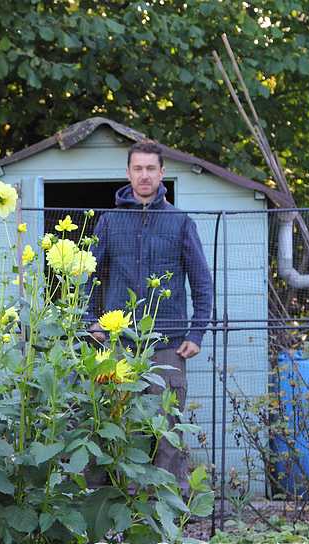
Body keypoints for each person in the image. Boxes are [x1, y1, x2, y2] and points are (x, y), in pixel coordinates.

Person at [88, 141, 214, 496]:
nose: (144, 176)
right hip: (118, 345)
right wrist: (89, 321)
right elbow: (87, 276)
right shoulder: (110, 221)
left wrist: (198, 332)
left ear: (162, 174)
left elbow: (202, 282)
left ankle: (168, 508)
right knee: (114, 421)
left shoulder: (180, 222)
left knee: (165, 428)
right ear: (128, 173)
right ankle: (114, 504)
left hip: (167, 345)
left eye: (151, 169)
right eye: (138, 169)